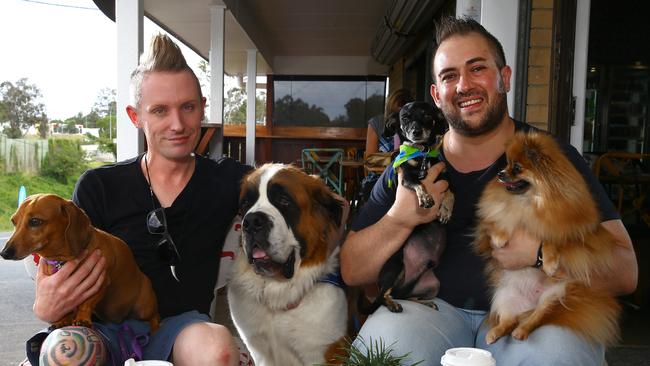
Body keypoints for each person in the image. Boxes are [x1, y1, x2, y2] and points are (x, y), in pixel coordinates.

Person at [341, 16, 638, 366]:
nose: (464, 85)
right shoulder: (409, 166)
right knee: (382, 353)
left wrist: (541, 254)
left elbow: (625, 272)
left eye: (477, 68)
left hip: (530, 311)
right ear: (437, 95)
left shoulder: (550, 157)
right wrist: (398, 220)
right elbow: (351, 269)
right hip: (428, 310)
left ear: (505, 78)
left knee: (560, 357)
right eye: (450, 76)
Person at [24, 34, 249, 366]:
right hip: (100, 330)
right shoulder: (99, 186)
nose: (178, 124)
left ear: (202, 107)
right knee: (66, 350)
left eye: (188, 107)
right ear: (135, 116)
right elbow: (60, 264)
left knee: (216, 345)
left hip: (182, 329)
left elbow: (301, 195)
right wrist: (45, 304)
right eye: (160, 110)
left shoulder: (229, 179)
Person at [364, 88, 413, 157]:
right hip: (382, 166)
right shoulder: (377, 123)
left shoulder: (413, 127)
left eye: (403, 115)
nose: (398, 119)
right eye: (395, 113)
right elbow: (370, 157)